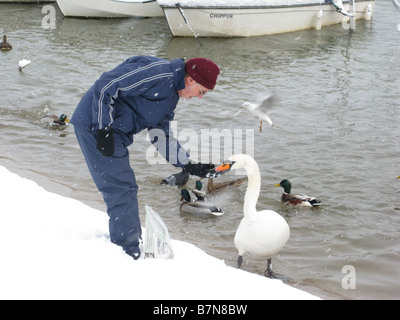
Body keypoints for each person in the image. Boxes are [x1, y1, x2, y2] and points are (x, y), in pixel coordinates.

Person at [71, 56, 220, 259]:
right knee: (121, 188)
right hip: (94, 126)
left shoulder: (171, 96)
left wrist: (189, 165)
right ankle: (127, 251)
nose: (200, 97)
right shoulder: (160, 73)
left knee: (124, 187)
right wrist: (102, 128)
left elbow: (161, 136)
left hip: (115, 133)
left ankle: (127, 246)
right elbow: (107, 85)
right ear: (191, 79)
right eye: (202, 91)